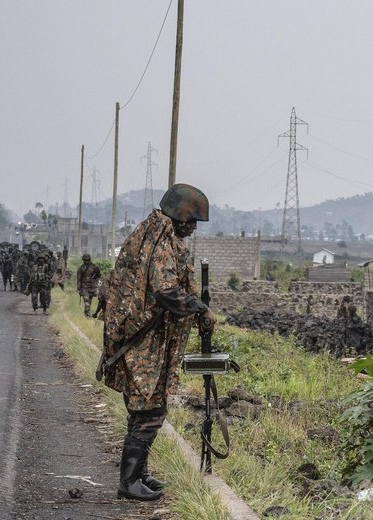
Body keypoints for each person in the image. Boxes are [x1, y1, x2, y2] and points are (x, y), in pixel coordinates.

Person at [100, 183, 216, 501]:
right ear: (179, 216)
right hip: (143, 342)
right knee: (149, 410)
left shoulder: (154, 233)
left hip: (142, 339)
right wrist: (200, 308)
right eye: (191, 221)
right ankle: (129, 481)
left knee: (144, 407)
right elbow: (165, 291)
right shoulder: (161, 242)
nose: (193, 228)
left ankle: (138, 474)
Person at [77, 253, 101, 318]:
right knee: (86, 301)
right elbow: (79, 278)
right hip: (84, 287)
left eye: (87, 260)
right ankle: (87, 314)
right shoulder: (81, 268)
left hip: (92, 287)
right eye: (85, 260)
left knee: (89, 301)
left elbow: (98, 275)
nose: (86, 261)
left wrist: (95, 281)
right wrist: (79, 288)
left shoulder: (95, 267)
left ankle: (86, 312)